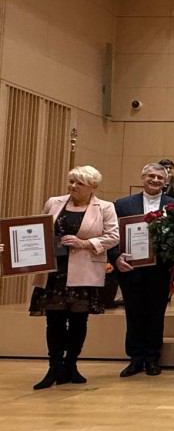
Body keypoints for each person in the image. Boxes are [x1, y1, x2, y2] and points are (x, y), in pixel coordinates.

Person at [30, 165, 119, 389]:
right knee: (54, 321)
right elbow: (39, 231)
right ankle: (54, 367)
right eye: (71, 181)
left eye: (79, 183)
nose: (73, 186)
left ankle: (71, 364)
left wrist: (85, 243)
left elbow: (113, 236)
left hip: (84, 269)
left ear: (92, 187)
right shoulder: (54, 202)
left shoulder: (105, 207)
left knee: (78, 320)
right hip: (54, 272)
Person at [112, 163, 174, 378]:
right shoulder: (122, 205)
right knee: (133, 313)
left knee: (156, 314)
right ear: (142, 178)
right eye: (151, 176)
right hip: (130, 268)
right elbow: (112, 234)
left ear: (166, 181)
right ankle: (135, 358)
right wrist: (115, 257)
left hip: (160, 270)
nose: (156, 181)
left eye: (160, 178)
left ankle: (152, 358)